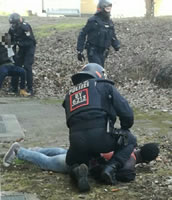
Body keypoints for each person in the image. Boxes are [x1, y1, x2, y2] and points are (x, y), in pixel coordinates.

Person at [62, 63, 136, 192]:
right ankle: (111, 167)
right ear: (99, 74)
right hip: (102, 138)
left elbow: (71, 122)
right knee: (130, 139)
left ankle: (76, 171)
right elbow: (126, 113)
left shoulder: (69, 96)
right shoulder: (104, 85)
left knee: (71, 161)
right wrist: (125, 128)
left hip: (77, 142)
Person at [3, 142, 159, 183]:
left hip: (84, 151)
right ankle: (20, 152)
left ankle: (35, 150)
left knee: (60, 151)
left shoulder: (127, 146)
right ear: (147, 161)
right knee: (48, 163)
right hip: (83, 163)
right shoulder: (129, 165)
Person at [77, 0, 120, 67]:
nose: (108, 10)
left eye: (109, 9)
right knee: (98, 68)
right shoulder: (93, 20)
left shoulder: (109, 22)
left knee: (101, 70)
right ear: (102, 8)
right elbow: (82, 34)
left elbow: (112, 35)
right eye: (107, 8)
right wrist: (80, 50)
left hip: (103, 51)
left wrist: (116, 44)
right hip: (93, 51)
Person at [8, 13, 36, 95]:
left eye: (14, 23)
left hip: (29, 48)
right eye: (12, 24)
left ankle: (30, 88)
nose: (13, 25)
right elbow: (7, 41)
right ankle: (14, 87)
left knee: (27, 66)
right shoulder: (11, 29)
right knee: (16, 65)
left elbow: (31, 41)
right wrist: (10, 54)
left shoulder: (25, 27)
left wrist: (18, 42)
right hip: (21, 48)